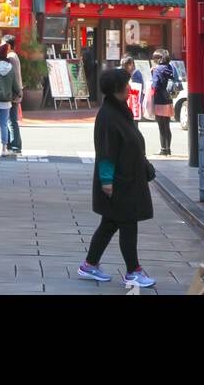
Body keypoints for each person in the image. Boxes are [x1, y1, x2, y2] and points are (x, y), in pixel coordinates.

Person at [77, 66, 157, 289]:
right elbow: (106, 151)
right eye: (126, 85)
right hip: (119, 181)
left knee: (110, 223)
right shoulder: (108, 116)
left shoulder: (120, 110)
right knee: (127, 223)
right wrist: (107, 181)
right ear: (116, 90)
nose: (129, 87)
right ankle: (133, 271)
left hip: (129, 176)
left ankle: (89, 265)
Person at [150, 49, 179, 155]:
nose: (153, 60)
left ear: (158, 59)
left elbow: (155, 85)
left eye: (154, 58)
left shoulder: (158, 70)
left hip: (160, 100)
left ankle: (163, 149)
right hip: (168, 100)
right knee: (167, 125)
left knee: (161, 126)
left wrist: (153, 73)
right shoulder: (170, 67)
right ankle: (168, 149)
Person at [2, 34, 23, 153]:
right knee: (10, 119)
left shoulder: (10, 57)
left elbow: (12, 77)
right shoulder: (13, 56)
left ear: (8, 45)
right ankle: (11, 144)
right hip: (15, 92)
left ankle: (15, 146)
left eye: (2, 43)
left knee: (11, 120)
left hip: (12, 93)